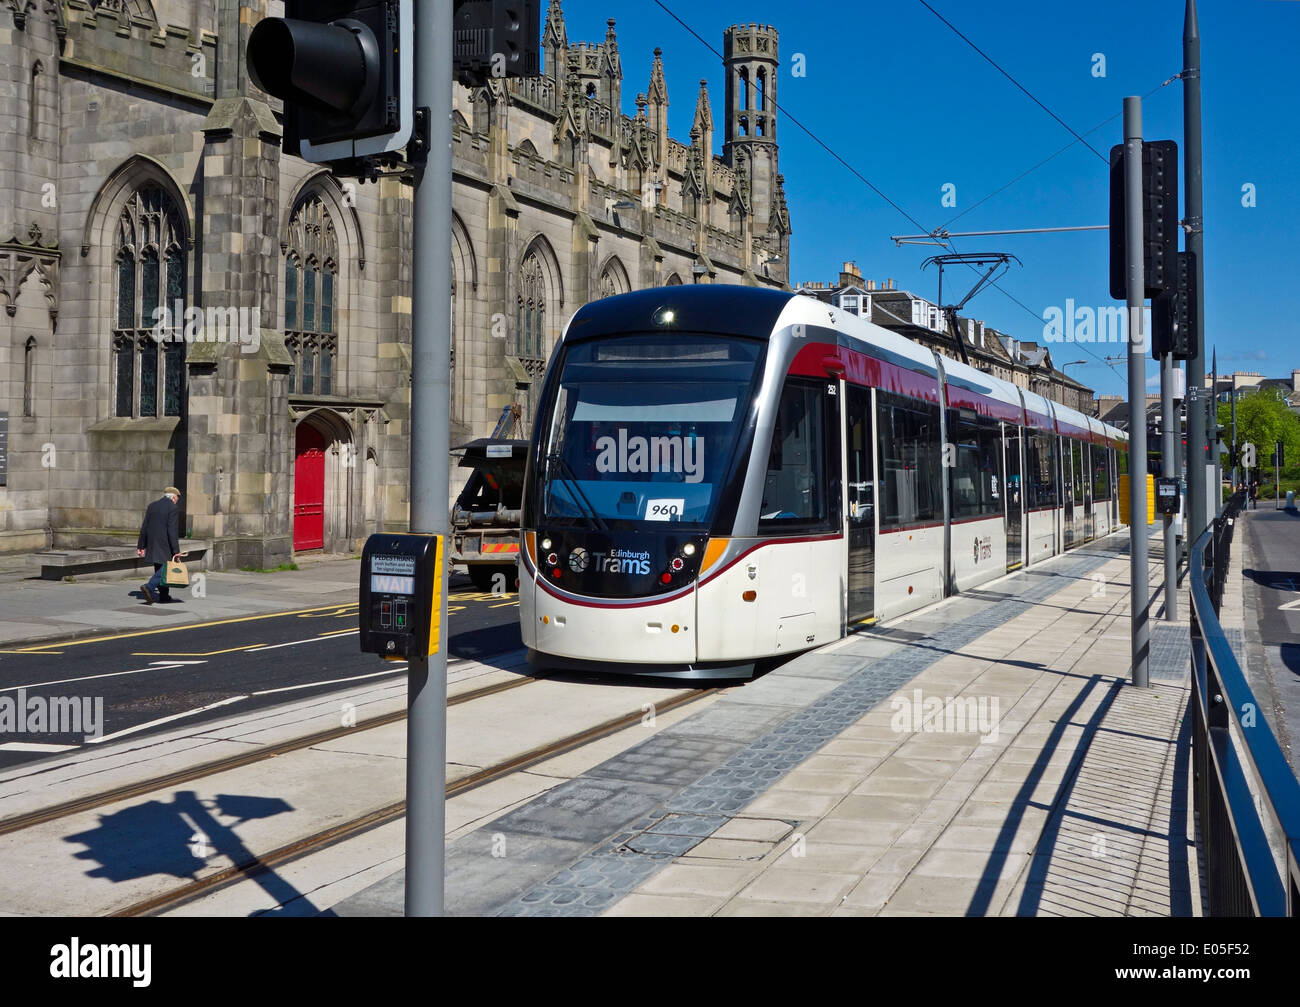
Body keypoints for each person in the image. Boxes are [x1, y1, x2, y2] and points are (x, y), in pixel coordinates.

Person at [138, 486, 182, 604]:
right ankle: (149, 586)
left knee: (159, 567)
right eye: (177, 498)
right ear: (173, 497)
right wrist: (176, 550)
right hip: (165, 544)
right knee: (166, 568)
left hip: (152, 543)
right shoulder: (172, 508)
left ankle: (164, 595)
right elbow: (172, 531)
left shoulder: (152, 505)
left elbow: (144, 527)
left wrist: (141, 545)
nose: (177, 500)